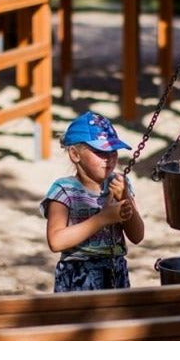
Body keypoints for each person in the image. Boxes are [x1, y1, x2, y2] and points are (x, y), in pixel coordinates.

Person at [40, 110, 144, 292]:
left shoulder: (120, 184)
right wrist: (103, 218)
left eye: (113, 151)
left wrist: (125, 198)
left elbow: (137, 235)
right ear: (75, 154)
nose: (109, 158)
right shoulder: (64, 190)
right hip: (78, 277)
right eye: (100, 152)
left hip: (115, 271)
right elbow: (56, 241)